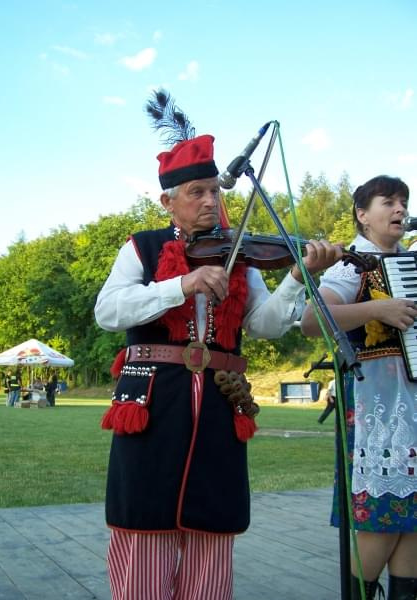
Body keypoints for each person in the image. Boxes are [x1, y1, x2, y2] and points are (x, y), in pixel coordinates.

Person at [94, 101, 343, 600]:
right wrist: (180, 285)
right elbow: (109, 311)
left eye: (214, 190)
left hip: (217, 404)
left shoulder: (239, 253)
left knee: (213, 541)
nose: (211, 201)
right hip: (153, 407)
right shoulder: (141, 249)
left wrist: (295, 278)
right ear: (169, 201)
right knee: (146, 537)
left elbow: (265, 325)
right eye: (197, 192)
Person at [301, 175, 417, 599]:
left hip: (412, 400)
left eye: (404, 202)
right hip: (378, 406)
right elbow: (313, 322)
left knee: (412, 523)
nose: (400, 210)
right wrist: (377, 308)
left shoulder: (410, 261)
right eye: (389, 202)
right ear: (362, 215)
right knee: (381, 516)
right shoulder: (351, 263)